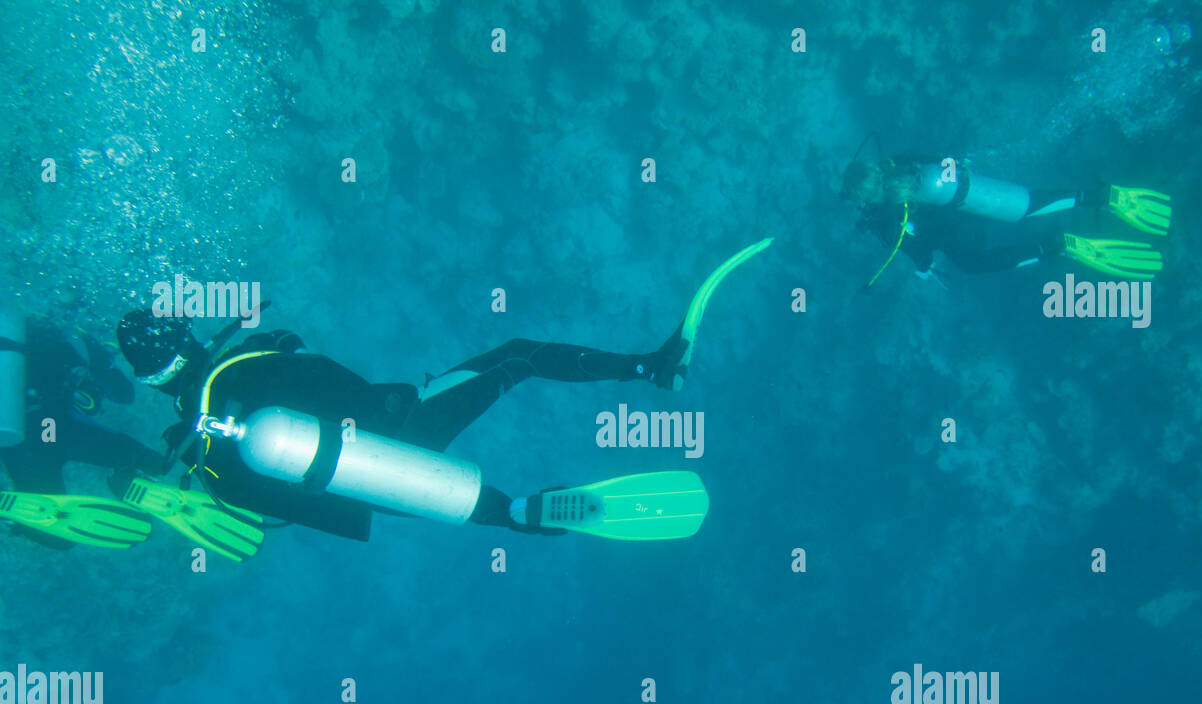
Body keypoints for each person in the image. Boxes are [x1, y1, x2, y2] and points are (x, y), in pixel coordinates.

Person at [108, 238, 772, 556]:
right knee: (519, 355)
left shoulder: (202, 455)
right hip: (401, 429)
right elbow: (323, 373)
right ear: (186, 338)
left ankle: (525, 513)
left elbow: (274, 514)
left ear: (152, 381)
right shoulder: (242, 363)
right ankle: (656, 368)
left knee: (492, 510)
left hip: (384, 488)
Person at [840, 155, 1170, 286]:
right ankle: (1096, 197)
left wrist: (924, 268)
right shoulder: (898, 162)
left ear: (866, 197)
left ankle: (1053, 246)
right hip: (971, 201)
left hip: (958, 234)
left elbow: (918, 248)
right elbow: (942, 159)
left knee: (974, 264)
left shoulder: (887, 220)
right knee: (1026, 204)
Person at [0, 319, 166, 551]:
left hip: (15, 441)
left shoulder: (17, 337)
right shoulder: (68, 335)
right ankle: (125, 483)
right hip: (60, 430)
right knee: (154, 463)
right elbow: (123, 393)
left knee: (58, 535)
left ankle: (11, 517)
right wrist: (101, 360)